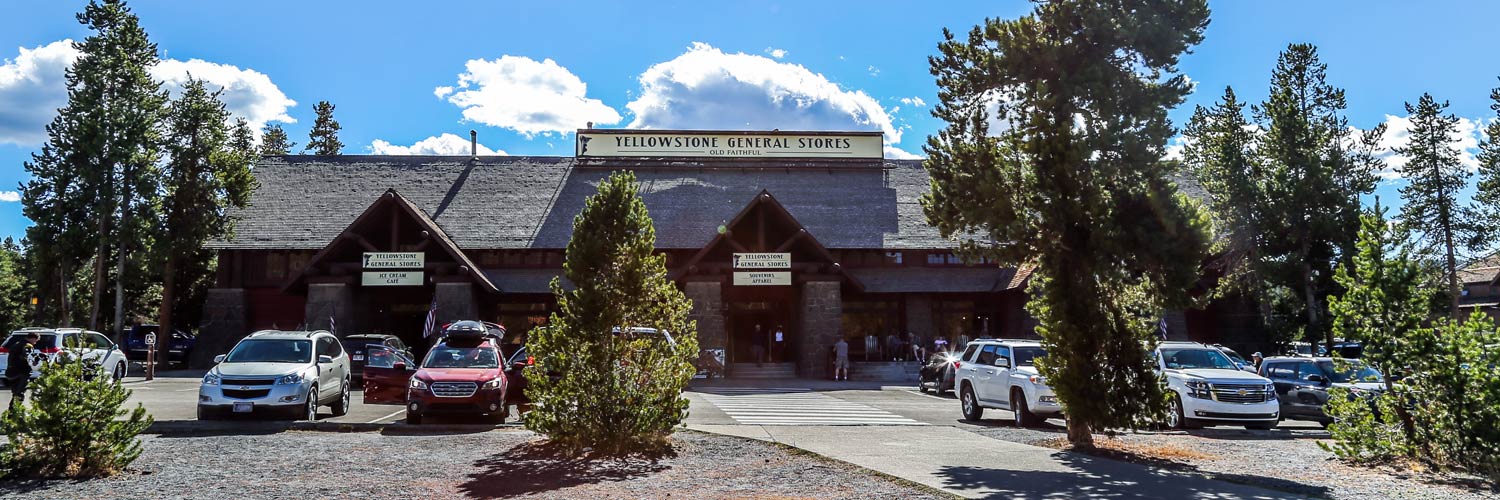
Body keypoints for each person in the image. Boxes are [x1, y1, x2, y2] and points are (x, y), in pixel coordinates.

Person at [6, 332, 39, 408]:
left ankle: (11, 414)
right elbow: (28, 356)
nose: (35, 343)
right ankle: (15, 413)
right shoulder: (28, 345)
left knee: (15, 393)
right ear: (33, 338)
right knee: (19, 394)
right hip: (22, 372)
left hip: (11, 372)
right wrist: (34, 361)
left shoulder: (16, 344)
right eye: (35, 341)